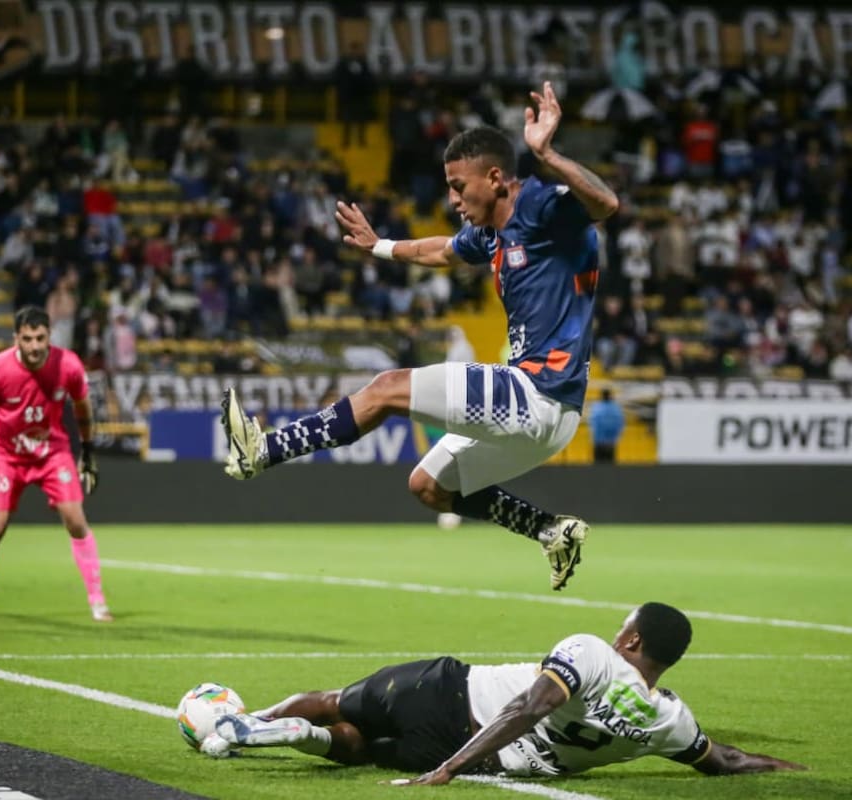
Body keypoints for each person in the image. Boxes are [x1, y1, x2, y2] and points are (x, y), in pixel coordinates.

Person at [221, 82, 618, 592]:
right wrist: (379, 246)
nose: (452, 198)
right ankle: (550, 530)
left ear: (495, 178)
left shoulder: (541, 205)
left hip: (539, 392)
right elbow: (442, 251)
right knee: (427, 485)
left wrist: (546, 153)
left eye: (459, 185)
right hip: (551, 416)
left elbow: (605, 203)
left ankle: (264, 451)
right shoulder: (493, 232)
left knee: (387, 389)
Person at [196, 602, 806, 783]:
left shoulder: (592, 652)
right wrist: (785, 766)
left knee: (337, 701)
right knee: (352, 749)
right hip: (481, 754)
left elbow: (525, 708)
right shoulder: (671, 721)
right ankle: (298, 738)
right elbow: (722, 760)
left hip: (447, 694)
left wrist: (448, 772)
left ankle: (253, 721)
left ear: (632, 637)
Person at [0, 306, 111, 623]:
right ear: (16, 339)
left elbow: (82, 408)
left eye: (40, 338)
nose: (35, 346)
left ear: (49, 336)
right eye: (27, 339)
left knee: (75, 518)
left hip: (52, 452)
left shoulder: (68, 365)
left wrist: (89, 452)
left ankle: (98, 602)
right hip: (6, 454)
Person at [588, 388, 625, 463]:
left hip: (599, 442)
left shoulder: (597, 407)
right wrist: (616, 437)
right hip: (611, 442)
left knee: (598, 465)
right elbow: (620, 424)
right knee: (610, 465)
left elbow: (593, 424)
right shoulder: (615, 408)